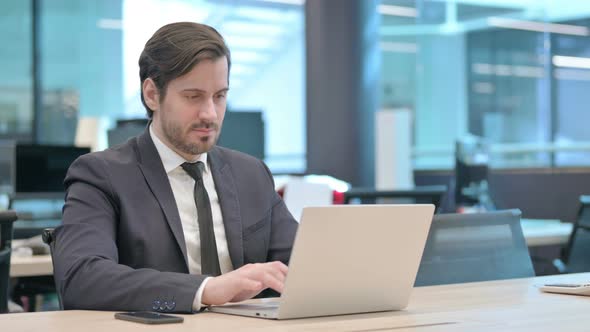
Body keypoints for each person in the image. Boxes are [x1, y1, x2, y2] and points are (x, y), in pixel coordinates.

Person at [53, 22, 298, 313]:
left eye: (219, 96)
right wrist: (206, 290)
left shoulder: (251, 174)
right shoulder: (101, 175)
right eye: (193, 96)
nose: (210, 113)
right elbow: (81, 279)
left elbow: (305, 265)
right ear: (152, 95)